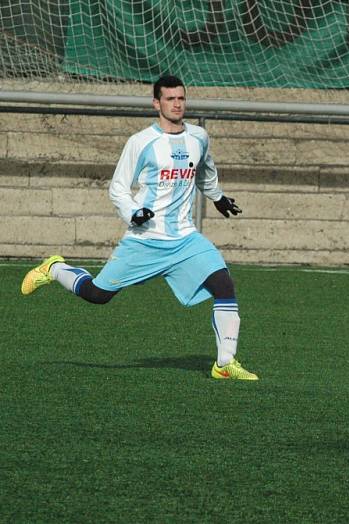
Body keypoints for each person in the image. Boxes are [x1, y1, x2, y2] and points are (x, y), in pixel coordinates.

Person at [21, 75, 258, 380]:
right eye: (170, 99)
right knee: (97, 294)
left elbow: (205, 171)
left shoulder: (198, 137)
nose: (177, 104)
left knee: (224, 286)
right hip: (145, 241)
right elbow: (118, 187)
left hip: (185, 239)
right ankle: (55, 269)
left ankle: (224, 364)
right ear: (156, 103)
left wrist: (217, 197)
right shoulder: (141, 142)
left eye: (181, 98)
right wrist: (134, 212)